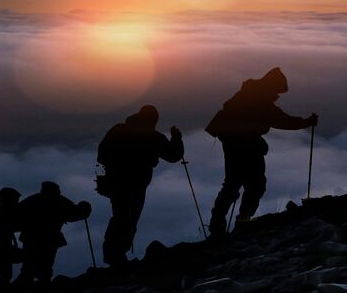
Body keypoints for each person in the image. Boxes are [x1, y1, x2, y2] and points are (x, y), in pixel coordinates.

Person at [203, 68, 316, 237]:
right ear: (271, 86)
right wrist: (306, 122)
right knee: (255, 186)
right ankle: (243, 222)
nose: (277, 95)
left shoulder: (247, 95)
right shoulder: (259, 101)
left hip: (233, 146)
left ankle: (218, 225)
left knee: (233, 184)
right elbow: (282, 120)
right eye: (277, 90)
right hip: (247, 148)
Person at [95, 105, 184, 266]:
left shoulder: (118, 130)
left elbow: (101, 156)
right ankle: (117, 256)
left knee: (120, 217)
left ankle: (113, 255)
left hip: (116, 184)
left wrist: (106, 177)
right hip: (136, 185)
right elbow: (173, 156)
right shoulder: (153, 137)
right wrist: (176, 138)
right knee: (129, 219)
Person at [14, 181, 91, 287]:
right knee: (44, 265)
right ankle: (41, 284)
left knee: (30, 266)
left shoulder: (32, 200)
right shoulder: (60, 201)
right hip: (49, 238)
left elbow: (17, 215)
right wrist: (85, 208)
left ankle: (25, 284)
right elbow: (75, 214)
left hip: (31, 237)